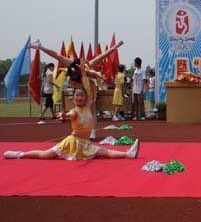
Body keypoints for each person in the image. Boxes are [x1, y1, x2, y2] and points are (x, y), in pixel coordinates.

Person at [3, 61, 139, 160]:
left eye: (82, 95)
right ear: (73, 98)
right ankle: (20, 154)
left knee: (105, 152)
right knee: (46, 154)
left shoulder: (88, 105)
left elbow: (87, 86)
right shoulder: (74, 111)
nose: (79, 97)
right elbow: (70, 115)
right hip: (72, 143)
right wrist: (64, 115)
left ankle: (128, 154)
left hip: (85, 144)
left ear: (86, 97)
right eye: (77, 96)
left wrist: (83, 72)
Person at [27, 39, 124, 140]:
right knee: (78, 109)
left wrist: (115, 47)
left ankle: (93, 132)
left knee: (92, 110)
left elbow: (103, 56)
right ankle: (40, 46)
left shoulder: (89, 67)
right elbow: (57, 55)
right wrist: (41, 48)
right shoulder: (71, 66)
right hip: (79, 89)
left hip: (89, 88)